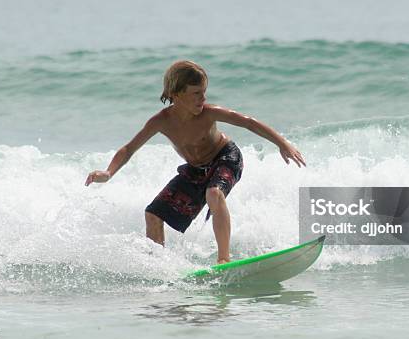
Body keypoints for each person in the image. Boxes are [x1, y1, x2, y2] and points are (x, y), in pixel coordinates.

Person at [85, 60, 306, 264]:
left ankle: (224, 260)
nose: (203, 99)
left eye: (204, 92)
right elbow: (128, 149)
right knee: (153, 214)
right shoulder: (161, 121)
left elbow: (248, 122)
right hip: (195, 170)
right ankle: (157, 265)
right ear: (177, 94)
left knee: (214, 194)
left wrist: (282, 143)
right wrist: (108, 173)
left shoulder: (209, 114)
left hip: (226, 158)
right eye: (196, 93)